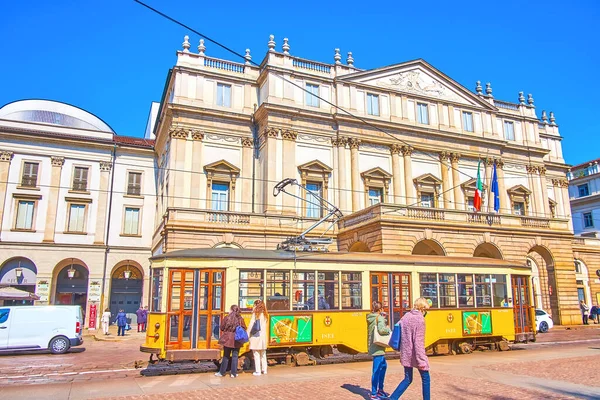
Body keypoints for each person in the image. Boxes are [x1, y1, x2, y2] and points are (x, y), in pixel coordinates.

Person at [390, 297, 431, 400]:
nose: (426, 312)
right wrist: (422, 360)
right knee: (426, 379)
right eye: (426, 310)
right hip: (416, 355)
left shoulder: (406, 316)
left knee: (407, 379)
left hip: (406, 353)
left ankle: (393, 398)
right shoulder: (420, 320)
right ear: (422, 308)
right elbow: (418, 343)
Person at [367, 301, 391, 400]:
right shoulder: (379, 318)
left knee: (383, 366)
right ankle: (374, 393)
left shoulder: (370, 317)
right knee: (376, 370)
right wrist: (388, 329)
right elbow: (381, 330)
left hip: (373, 346)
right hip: (378, 348)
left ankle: (380, 389)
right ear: (380, 309)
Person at [215, 305, 247, 378]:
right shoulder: (240, 318)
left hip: (228, 340)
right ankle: (233, 373)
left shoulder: (227, 317)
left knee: (226, 356)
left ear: (231, 310)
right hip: (237, 340)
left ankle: (222, 372)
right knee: (235, 356)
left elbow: (222, 327)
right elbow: (244, 327)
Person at [247, 299, 268, 376]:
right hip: (263, 337)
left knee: (256, 354)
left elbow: (251, 324)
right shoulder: (265, 314)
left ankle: (258, 371)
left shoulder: (255, 314)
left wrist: (247, 333)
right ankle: (264, 370)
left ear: (256, 305)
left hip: (256, 336)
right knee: (263, 354)